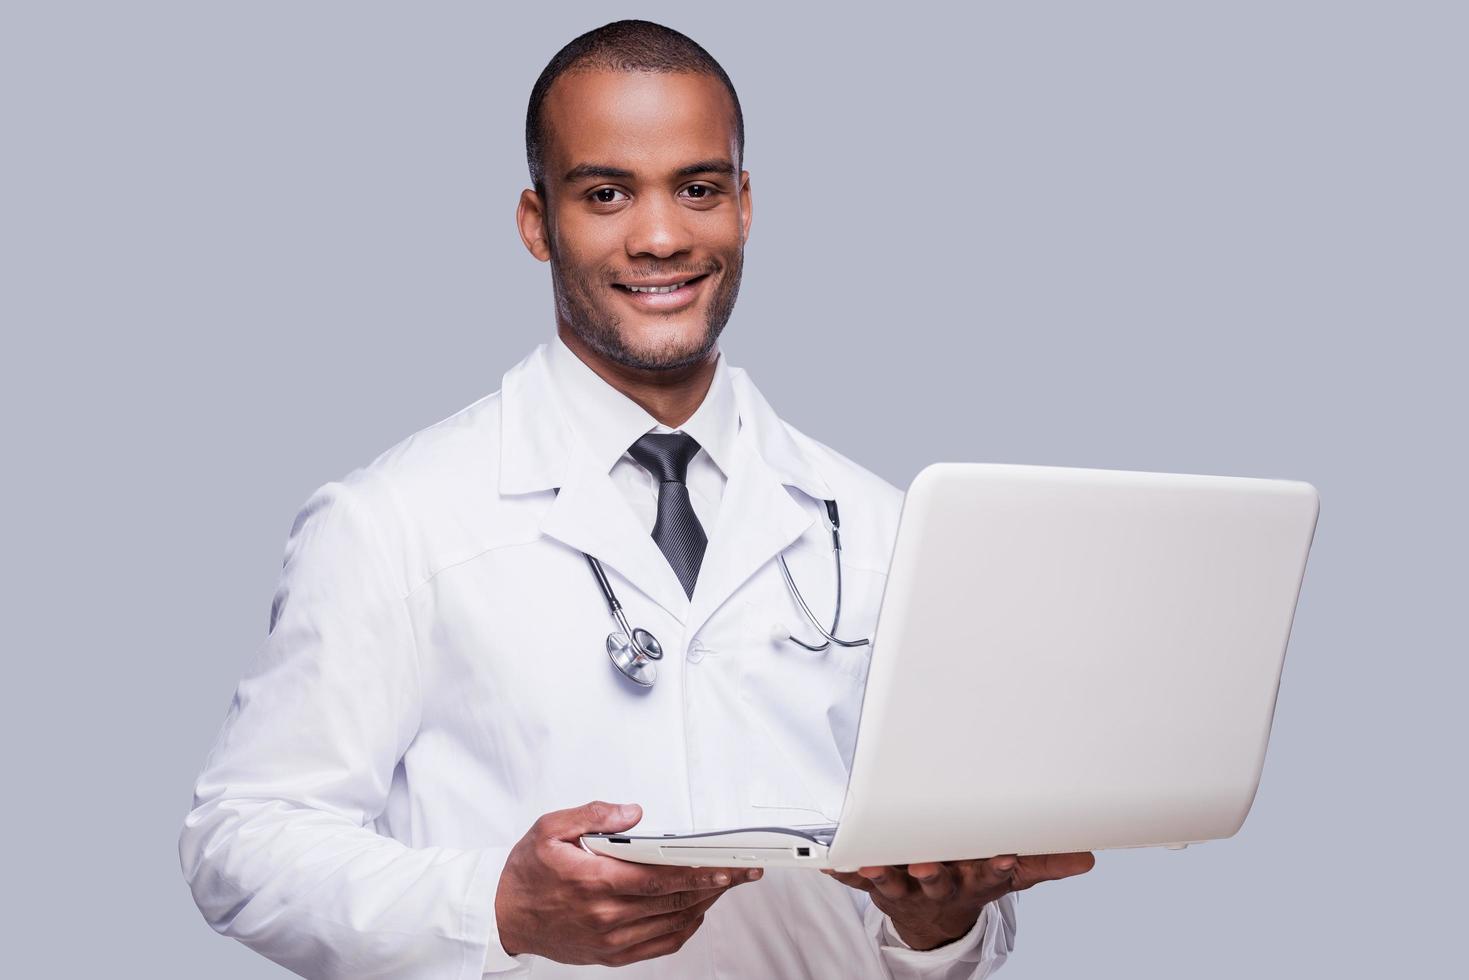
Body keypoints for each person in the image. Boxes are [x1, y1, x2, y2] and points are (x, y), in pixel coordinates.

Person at [179, 19, 1094, 979]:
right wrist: (495, 909)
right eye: (606, 193)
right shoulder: (392, 522)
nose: (660, 237)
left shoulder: (883, 528)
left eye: (697, 189)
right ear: (537, 223)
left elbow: (942, 915)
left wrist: (937, 926)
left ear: (744, 206)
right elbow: (241, 842)